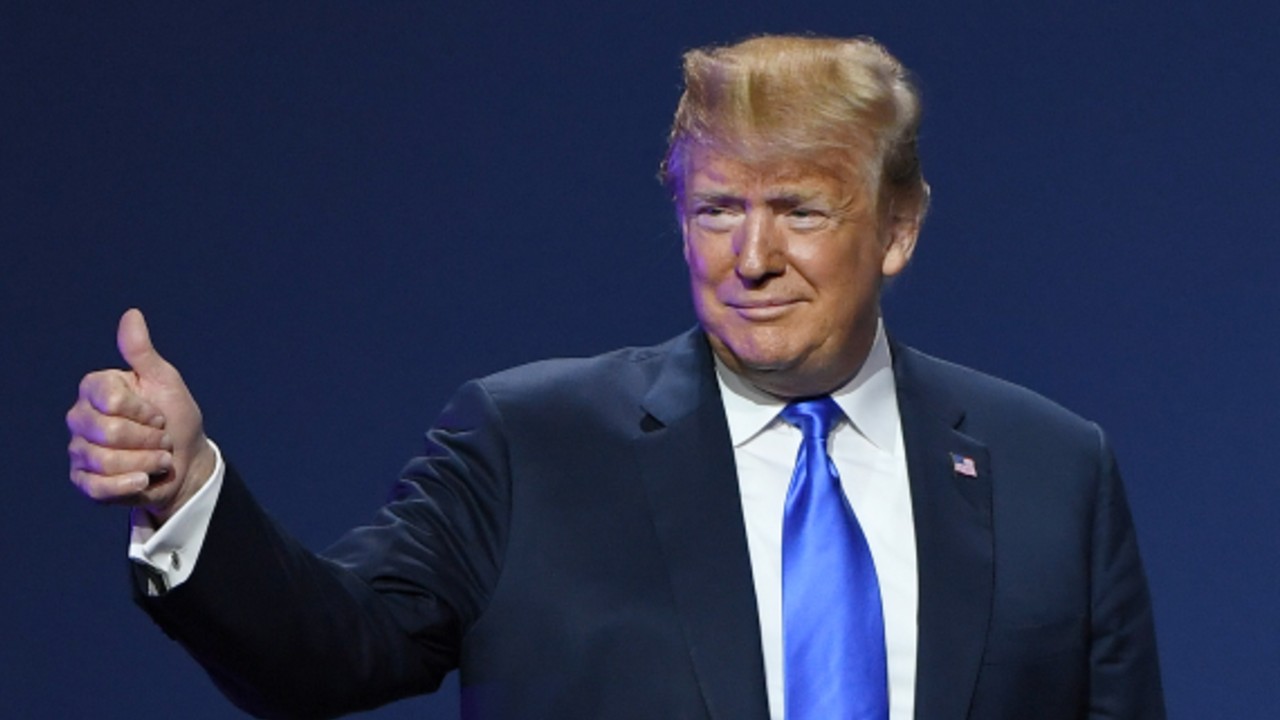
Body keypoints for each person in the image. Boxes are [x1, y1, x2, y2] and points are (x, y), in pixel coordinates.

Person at [66, 35, 1165, 720]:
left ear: (896, 229)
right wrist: (187, 488)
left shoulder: (1049, 471)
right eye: (716, 209)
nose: (751, 255)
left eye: (798, 209)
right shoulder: (527, 444)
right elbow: (326, 651)